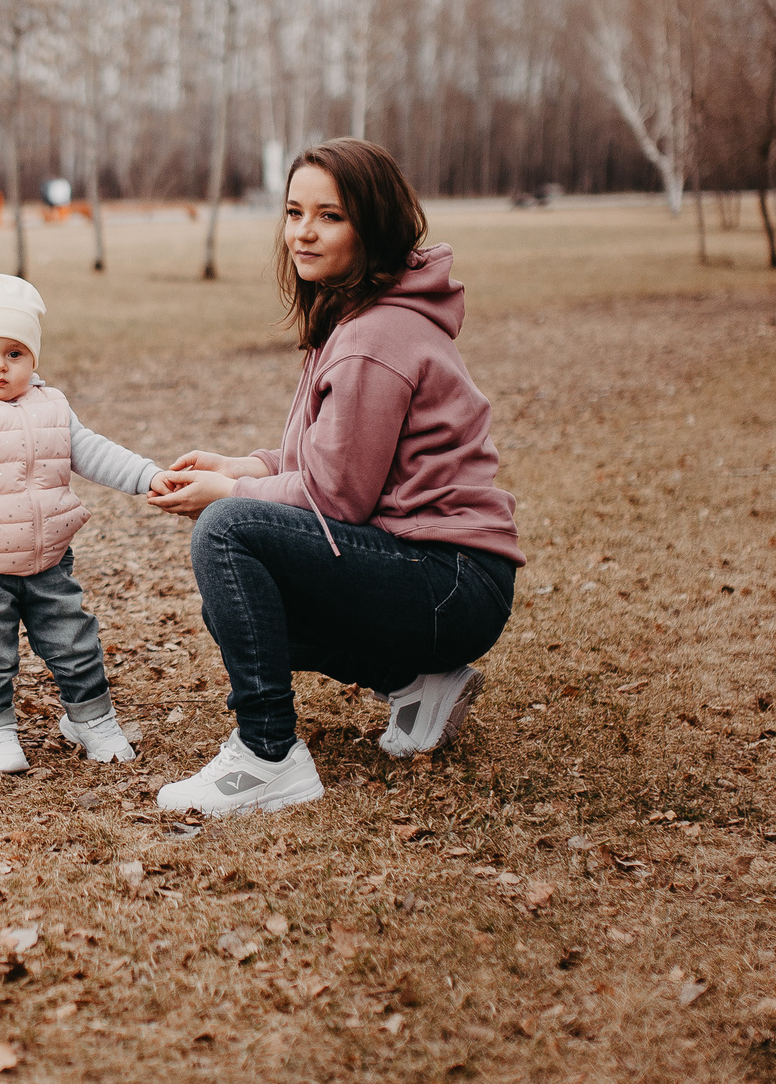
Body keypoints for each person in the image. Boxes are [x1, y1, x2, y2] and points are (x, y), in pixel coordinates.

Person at [147, 138, 522, 816]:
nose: (304, 232)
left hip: (453, 579)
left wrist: (228, 494)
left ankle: (267, 756)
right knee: (237, 604)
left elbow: (335, 497)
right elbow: (326, 461)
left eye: (330, 216)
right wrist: (243, 467)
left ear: (372, 225)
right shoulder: (355, 316)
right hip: (444, 575)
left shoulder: (375, 337)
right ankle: (415, 683)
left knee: (226, 532)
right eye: (294, 212)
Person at [0, 273, 165, 774]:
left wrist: (148, 476)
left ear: (34, 358)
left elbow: (92, 452)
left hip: (47, 559)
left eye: (15, 353)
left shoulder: (51, 406)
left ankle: (91, 718)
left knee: (74, 642)